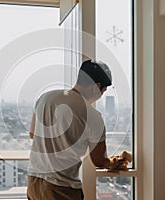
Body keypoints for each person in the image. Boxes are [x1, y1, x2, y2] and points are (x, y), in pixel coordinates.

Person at [27, 60, 120, 200]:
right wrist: (114, 163)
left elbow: (33, 134)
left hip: (34, 182)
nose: (101, 96)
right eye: (103, 91)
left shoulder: (46, 98)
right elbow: (99, 160)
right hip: (61, 187)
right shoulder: (93, 116)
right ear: (97, 86)